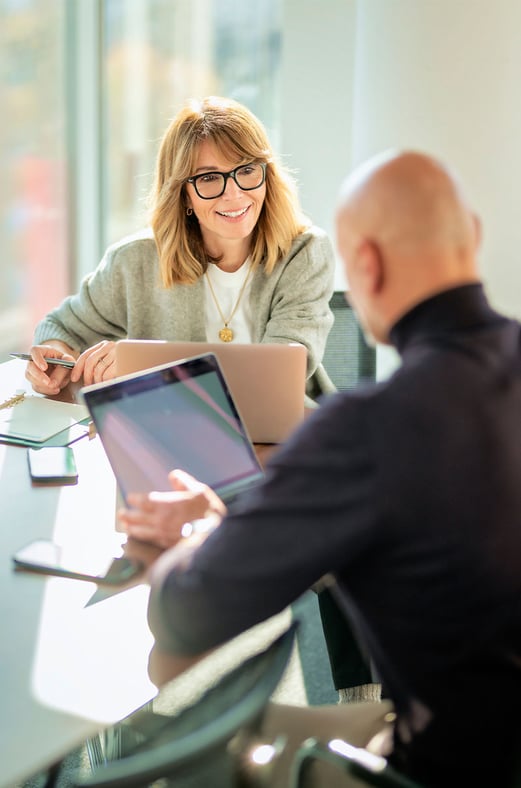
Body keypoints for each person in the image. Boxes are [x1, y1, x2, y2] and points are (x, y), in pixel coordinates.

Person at [121, 149, 521, 787]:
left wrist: (192, 540)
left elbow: (186, 613)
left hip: (449, 766)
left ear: (365, 262)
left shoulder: (371, 427)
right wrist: (231, 516)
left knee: (201, 744)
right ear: (471, 236)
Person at [25, 95, 335, 402]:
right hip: (172, 433)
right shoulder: (135, 262)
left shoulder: (305, 254)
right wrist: (55, 358)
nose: (234, 194)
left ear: (268, 175)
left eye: (247, 170)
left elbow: (278, 372)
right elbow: (60, 327)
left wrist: (140, 363)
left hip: (280, 439)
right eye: (210, 178)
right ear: (183, 194)